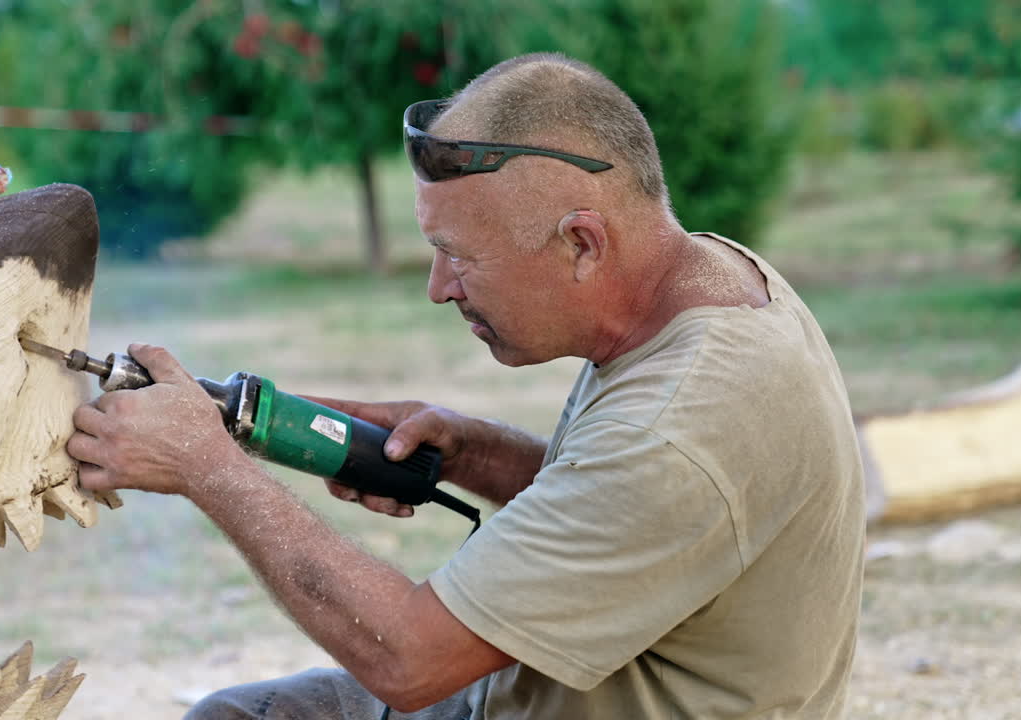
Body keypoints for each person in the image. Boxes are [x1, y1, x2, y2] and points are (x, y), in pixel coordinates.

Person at [66, 52, 865, 719]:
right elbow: (627, 506)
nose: (440, 288)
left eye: (461, 256)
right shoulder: (705, 282)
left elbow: (409, 659)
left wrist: (209, 467)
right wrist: (475, 455)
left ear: (584, 243)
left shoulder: (681, 425)